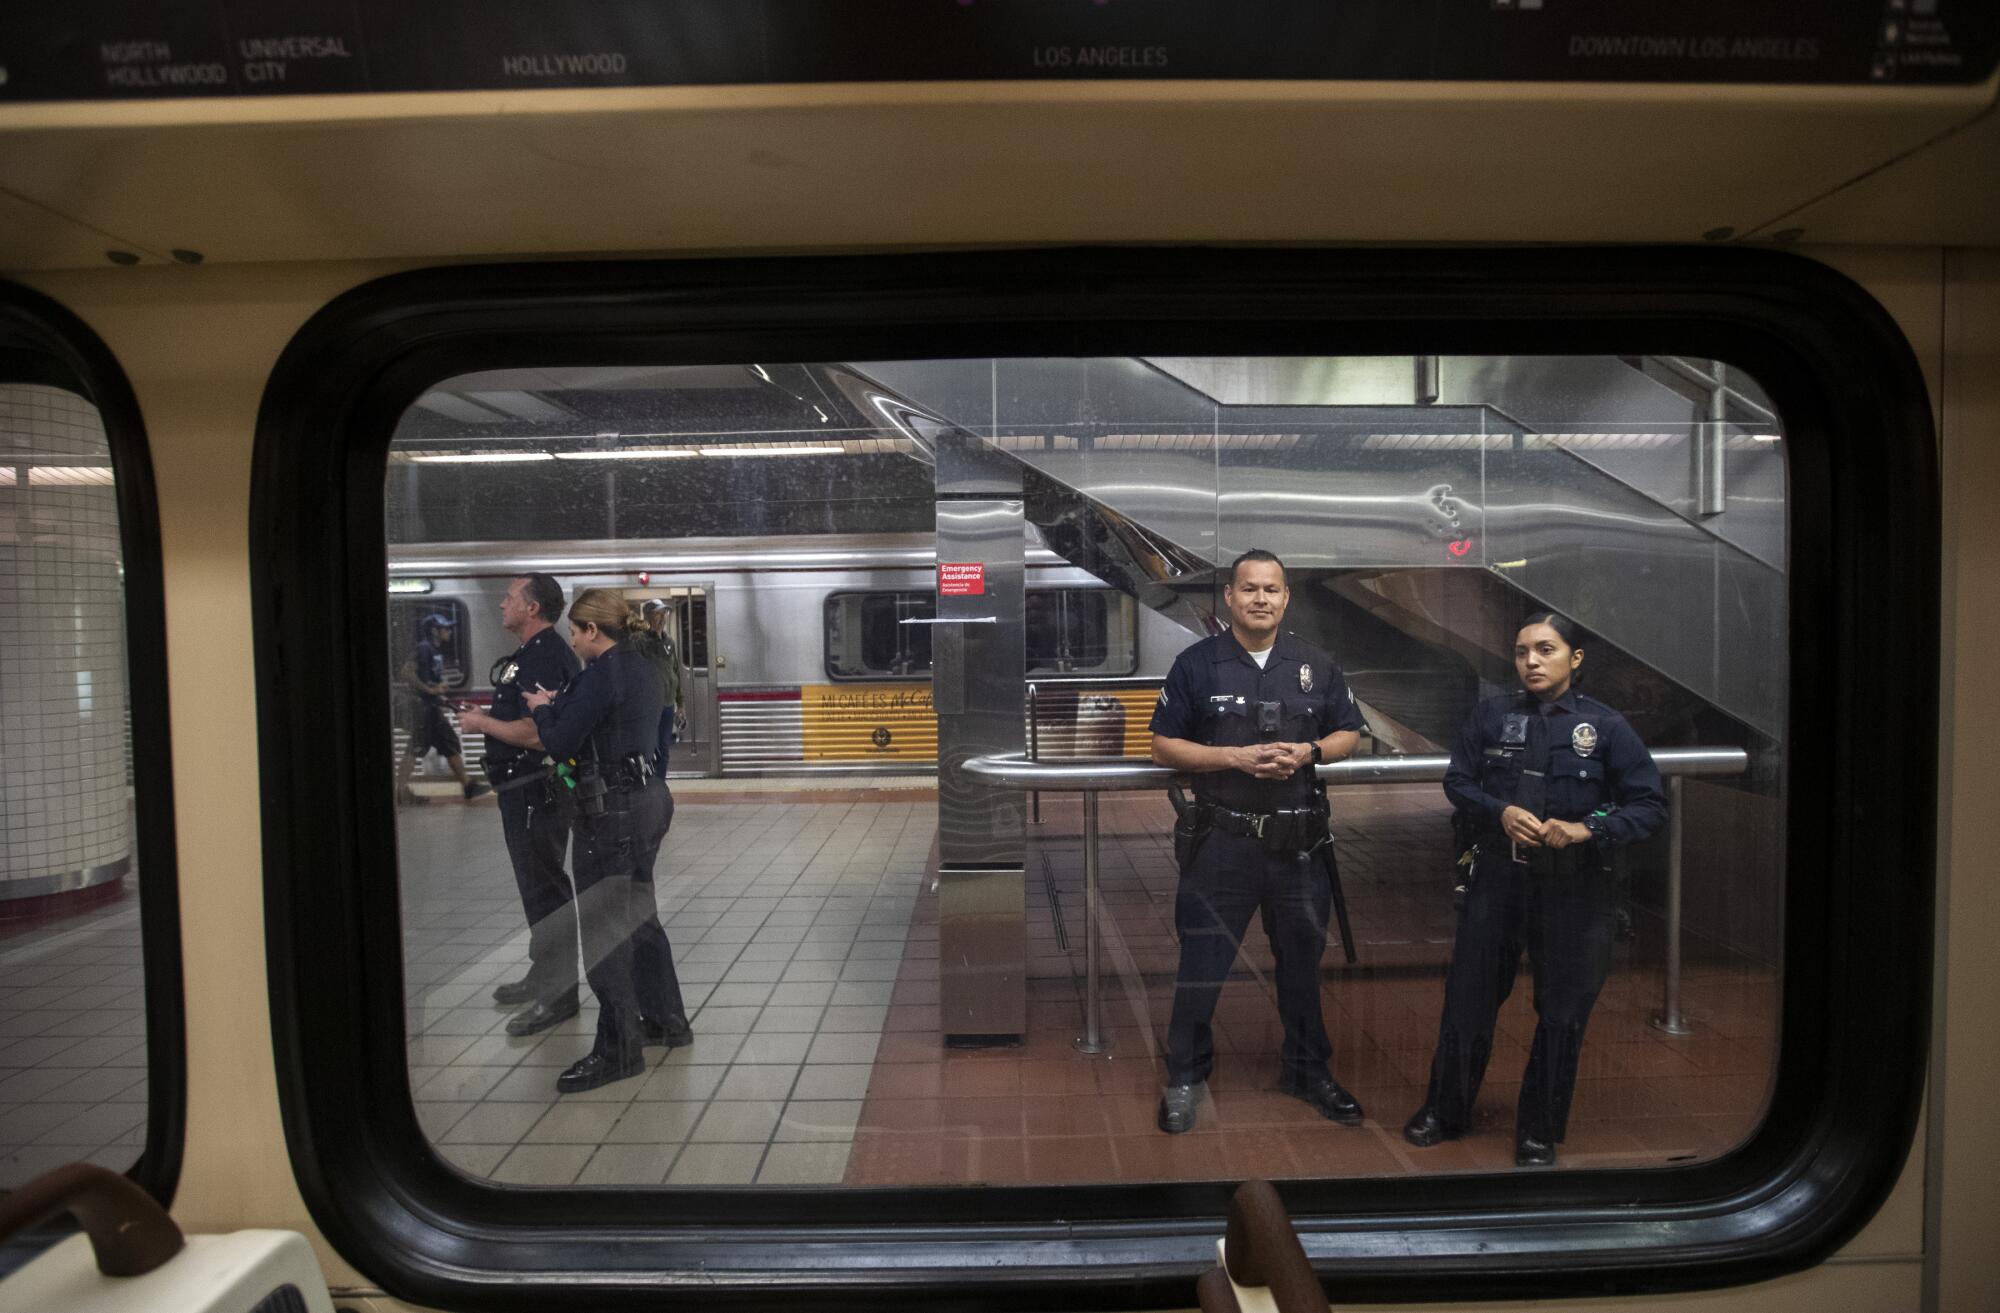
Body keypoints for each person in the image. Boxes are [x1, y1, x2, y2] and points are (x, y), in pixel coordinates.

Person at [1402, 612, 1667, 1167]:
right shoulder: (1491, 715)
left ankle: (1538, 1131)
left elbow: (1647, 805)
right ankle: (1444, 1111)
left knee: (1563, 1012)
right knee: (1468, 1002)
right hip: (1499, 880)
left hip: (1575, 890)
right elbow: (1458, 782)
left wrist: (1587, 829)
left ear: (1575, 658)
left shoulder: (1606, 727)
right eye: (1523, 651)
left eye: (1546, 650)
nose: (1532, 662)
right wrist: (1498, 813)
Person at [1147, 549, 1367, 1135]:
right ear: (1230, 597)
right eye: (1249, 589)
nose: (1261, 599)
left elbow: (1351, 732)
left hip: (1298, 847)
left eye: (1272, 589)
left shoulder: (1315, 665)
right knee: (1202, 965)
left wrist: (1311, 751)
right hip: (1224, 843)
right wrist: (1233, 758)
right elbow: (1163, 747)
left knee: (1301, 967)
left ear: (1286, 597)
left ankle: (1307, 1072)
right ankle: (1186, 1078)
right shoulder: (1197, 665)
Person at [521, 588, 692, 1093]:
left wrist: (542, 708)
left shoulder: (600, 675)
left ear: (593, 631)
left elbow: (557, 742)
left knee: (603, 927)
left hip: (610, 811)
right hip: (650, 799)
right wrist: (565, 706)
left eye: (574, 631)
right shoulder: (645, 667)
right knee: (639, 911)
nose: (571, 640)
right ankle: (666, 1021)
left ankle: (619, 1049)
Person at [457, 575, 582, 1037]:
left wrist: (482, 723)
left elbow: (535, 732)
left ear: (531, 609)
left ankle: (560, 993)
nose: (502, 604)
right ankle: (542, 975)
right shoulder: (531, 655)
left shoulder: (547, 656)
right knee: (536, 888)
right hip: (522, 791)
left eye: (510, 598)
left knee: (546, 891)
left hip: (537, 791)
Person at [394, 614, 489, 804]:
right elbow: (406, 672)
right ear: (434, 631)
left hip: (433, 707)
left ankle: (468, 785)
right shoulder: (424, 648)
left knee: (448, 743)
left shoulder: (434, 651)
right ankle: (400, 791)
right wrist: (429, 689)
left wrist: (438, 692)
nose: (449, 631)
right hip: (425, 709)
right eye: (445, 628)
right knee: (415, 749)